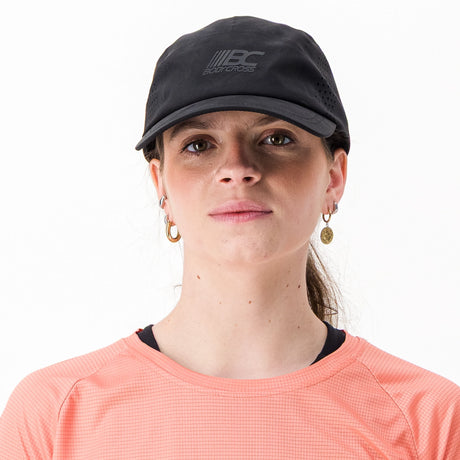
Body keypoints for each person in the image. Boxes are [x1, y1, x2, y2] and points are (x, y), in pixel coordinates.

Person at [0, 16, 459, 459]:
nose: (238, 169)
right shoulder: (53, 415)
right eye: (199, 144)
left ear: (334, 177)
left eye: (276, 138)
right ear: (161, 184)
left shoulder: (431, 421)